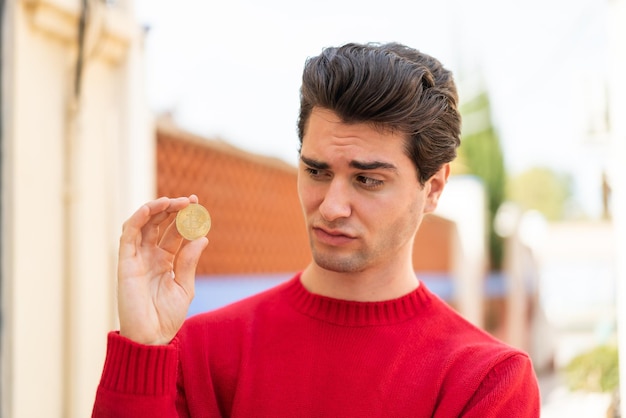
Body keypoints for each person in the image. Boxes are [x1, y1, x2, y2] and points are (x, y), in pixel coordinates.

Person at [92, 42, 540, 417]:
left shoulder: (488, 381)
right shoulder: (202, 351)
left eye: (367, 179)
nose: (331, 206)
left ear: (433, 188)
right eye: (317, 171)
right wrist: (143, 346)